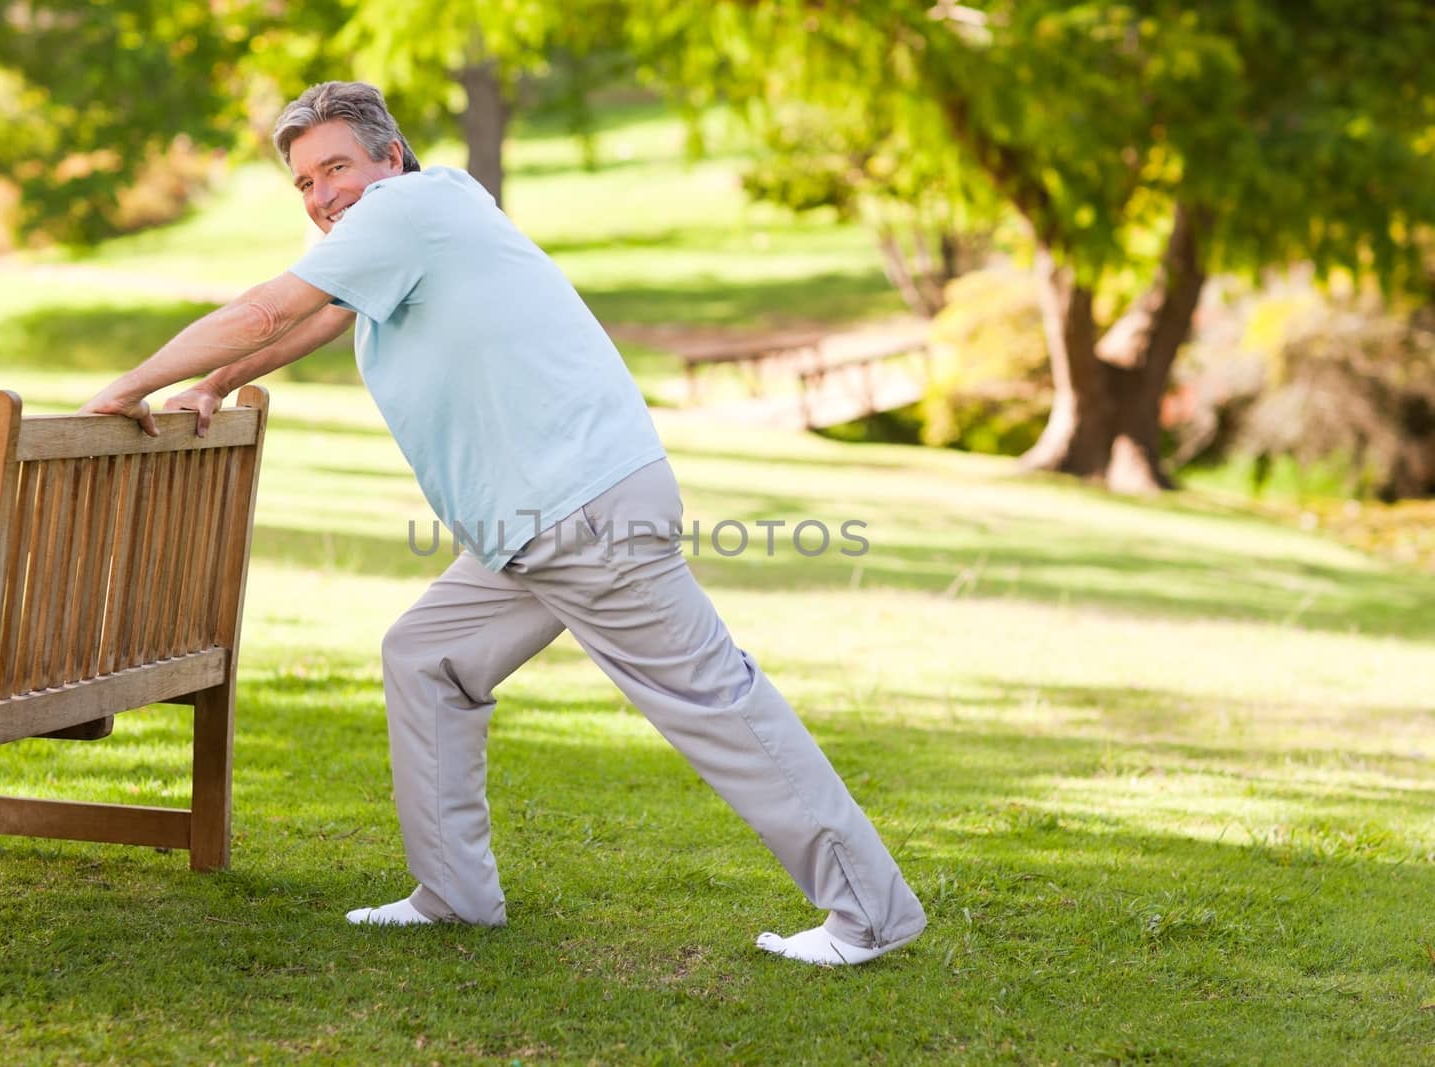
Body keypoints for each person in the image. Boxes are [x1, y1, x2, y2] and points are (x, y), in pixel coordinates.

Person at [82, 80, 927, 966]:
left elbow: (268, 309)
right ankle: (453, 894)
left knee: (714, 700)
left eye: (336, 167)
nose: (322, 193)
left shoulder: (407, 210)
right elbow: (326, 314)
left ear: (389, 155)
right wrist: (217, 382)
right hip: (535, 528)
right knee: (426, 657)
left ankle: (871, 910)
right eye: (304, 182)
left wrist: (125, 386)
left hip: (581, 511)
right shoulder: (417, 223)